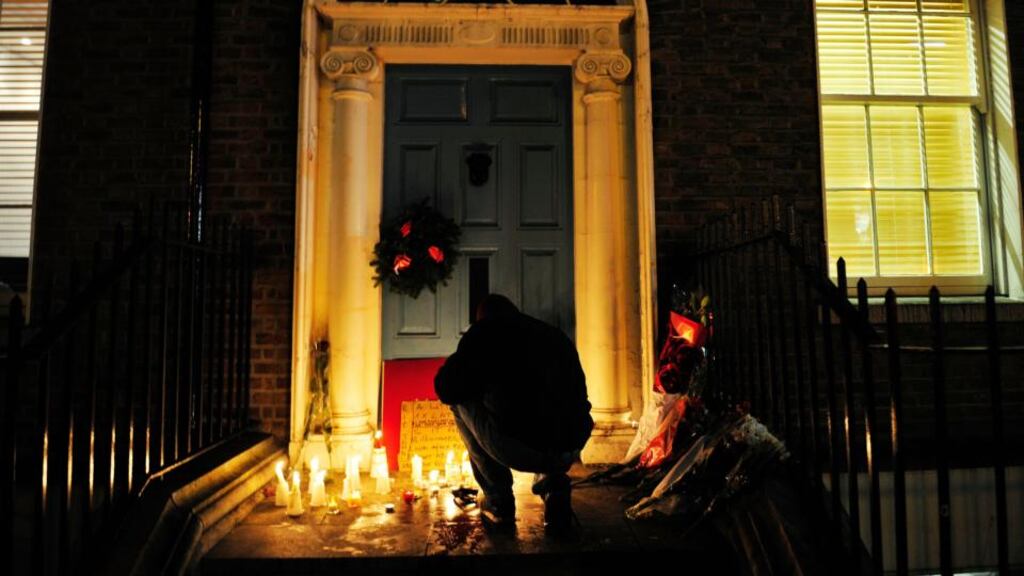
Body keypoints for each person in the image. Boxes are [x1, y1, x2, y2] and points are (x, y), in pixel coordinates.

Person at [434, 294, 593, 532]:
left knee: (460, 401)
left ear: (482, 320)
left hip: (518, 448)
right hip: (569, 446)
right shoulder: (553, 335)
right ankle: (554, 488)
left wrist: (463, 362)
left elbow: (446, 389)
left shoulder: (484, 334)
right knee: (549, 411)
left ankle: (498, 501)